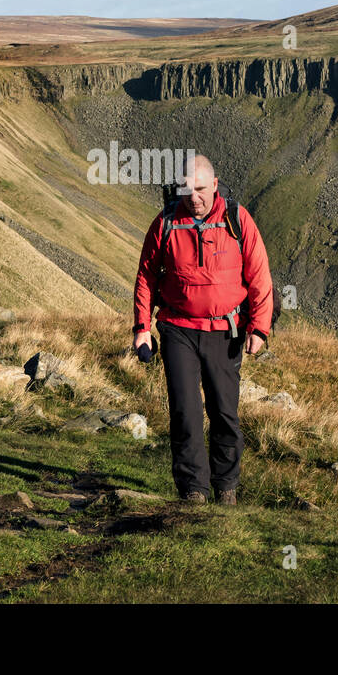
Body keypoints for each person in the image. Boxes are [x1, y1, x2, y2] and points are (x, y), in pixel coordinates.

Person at [132, 155, 274, 505]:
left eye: (199, 188)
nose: (192, 196)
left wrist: (259, 328)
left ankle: (226, 488)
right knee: (185, 411)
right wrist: (142, 328)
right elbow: (146, 277)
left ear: (214, 185)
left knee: (224, 412)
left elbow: (259, 277)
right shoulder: (165, 222)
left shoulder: (238, 220)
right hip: (178, 328)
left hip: (225, 331)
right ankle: (193, 491)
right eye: (186, 189)